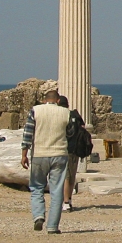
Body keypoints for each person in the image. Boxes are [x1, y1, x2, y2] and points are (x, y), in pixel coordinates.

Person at [20, 89, 71, 234]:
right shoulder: (65, 112)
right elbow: (70, 133)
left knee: (36, 187)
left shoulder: (36, 111)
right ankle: (52, 226)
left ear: (44, 100)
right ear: (58, 100)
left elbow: (28, 133)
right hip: (60, 153)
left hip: (39, 154)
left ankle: (38, 215)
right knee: (56, 190)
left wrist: (24, 153)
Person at [57, 95, 85, 212]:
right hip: (76, 149)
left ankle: (66, 202)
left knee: (66, 177)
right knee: (72, 175)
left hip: (65, 149)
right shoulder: (76, 115)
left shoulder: (60, 116)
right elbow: (83, 129)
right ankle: (69, 199)